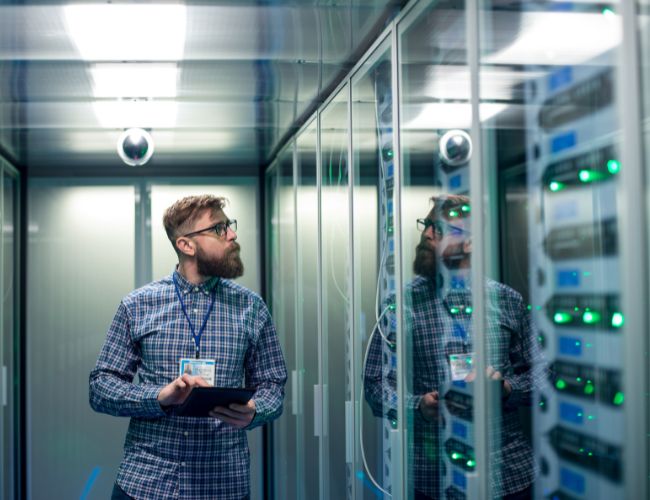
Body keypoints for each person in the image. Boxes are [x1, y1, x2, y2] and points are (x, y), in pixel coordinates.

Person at [90, 195, 287, 500]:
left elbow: (273, 385)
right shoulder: (138, 305)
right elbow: (101, 388)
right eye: (219, 228)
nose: (232, 235)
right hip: (146, 484)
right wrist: (158, 397)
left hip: (223, 485)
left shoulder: (251, 308)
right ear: (186, 245)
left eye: (229, 226)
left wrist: (255, 411)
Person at [364, 194, 545, 499]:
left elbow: (546, 375)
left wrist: (507, 389)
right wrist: (418, 406)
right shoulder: (400, 305)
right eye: (427, 225)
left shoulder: (507, 300)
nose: (427, 234)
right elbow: (375, 385)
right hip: (433, 476)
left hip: (506, 473)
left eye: (440, 228)